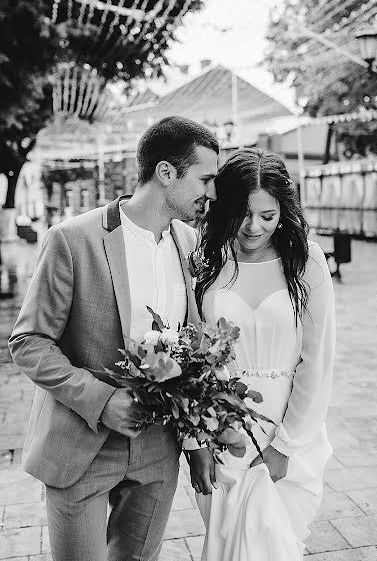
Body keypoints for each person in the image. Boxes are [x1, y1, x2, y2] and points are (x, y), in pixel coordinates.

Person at [8, 116, 219, 561]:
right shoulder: (71, 239)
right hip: (81, 444)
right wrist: (102, 401)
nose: (210, 192)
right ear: (166, 173)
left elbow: (192, 341)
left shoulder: (187, 239)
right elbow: (28, 342)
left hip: (159, 449)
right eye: (204, 179)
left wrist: (196, 442)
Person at [189, 148, 335, 560]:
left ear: (283, 211)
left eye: (267, 216)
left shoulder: (306, 261)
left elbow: (317, 361)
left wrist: (284, 446)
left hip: (290, 430)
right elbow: (193, 358)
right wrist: (196, 437)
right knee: (227, 547)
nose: (254, 227)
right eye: (242, 213)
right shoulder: (205, 261)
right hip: (222, 433)